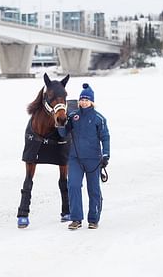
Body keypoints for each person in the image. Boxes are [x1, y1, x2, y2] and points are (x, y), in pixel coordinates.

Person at [58, 83, 110, 230]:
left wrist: (106, 155)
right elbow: (63, 134)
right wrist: (63, 124)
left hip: (93, 159)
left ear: (92, 101)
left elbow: (105, 137)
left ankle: (93, 219)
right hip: (75, 159)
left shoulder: (99, 118)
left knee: (93, 189)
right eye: (82, 99)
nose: (83, 102)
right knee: (73, 186)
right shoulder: (73, 116)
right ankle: (76, 219)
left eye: (87, 100)